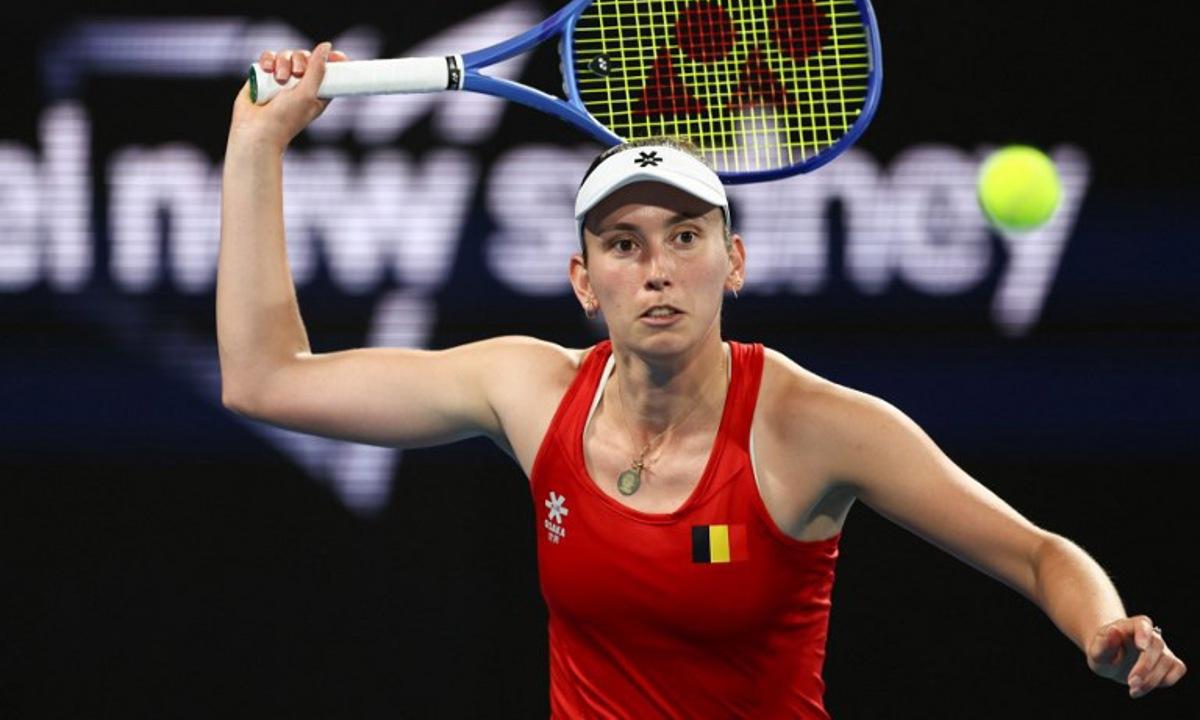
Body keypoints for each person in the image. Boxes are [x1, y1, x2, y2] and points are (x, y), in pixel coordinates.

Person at [218, 43, 1186, 718]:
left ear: (734, 262)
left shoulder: (809, 426)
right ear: (583, 279)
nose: (658, 267)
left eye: (687, 237)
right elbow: (267, 378)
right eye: (625, 243)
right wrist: (256, 146)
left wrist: (1103, 623)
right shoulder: (530, 390)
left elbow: (1035, 551)